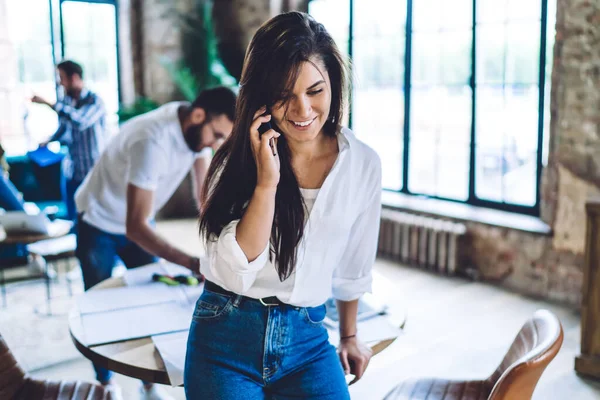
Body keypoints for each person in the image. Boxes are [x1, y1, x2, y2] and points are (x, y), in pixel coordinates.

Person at [185, 12, 381, 399]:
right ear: (260, 97)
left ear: (334, 86)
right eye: (284, 94)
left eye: (314, 90)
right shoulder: (234, 159)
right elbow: (234, 269)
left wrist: (350, 335)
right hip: (226, 336)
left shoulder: (362, 164)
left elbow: (354, 263)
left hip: (307, 340)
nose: (303, 110)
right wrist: (267, 182)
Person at [74, 86, 236, 400]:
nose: (215, 145)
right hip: (98, 220)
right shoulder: (153, 140)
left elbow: (205, 200)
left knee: (155, 294)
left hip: (134, 220)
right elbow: (135, 227)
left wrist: (221, 244)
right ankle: (106, 383)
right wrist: (191, 262)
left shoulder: (194, 128)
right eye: (216, 136)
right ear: (199, 115)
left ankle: (146, 382)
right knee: (99, 307)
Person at [32, 60, 107, 227]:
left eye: (62, 77)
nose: (60, 82)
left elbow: (80, 121)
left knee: (93, 217)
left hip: (91, 170)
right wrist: (49, 140)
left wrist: (49, 104)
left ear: (74, 77)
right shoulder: (66, 101)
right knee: (73, 217)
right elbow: (65, 128)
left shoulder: (94, 101)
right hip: (71, 170)